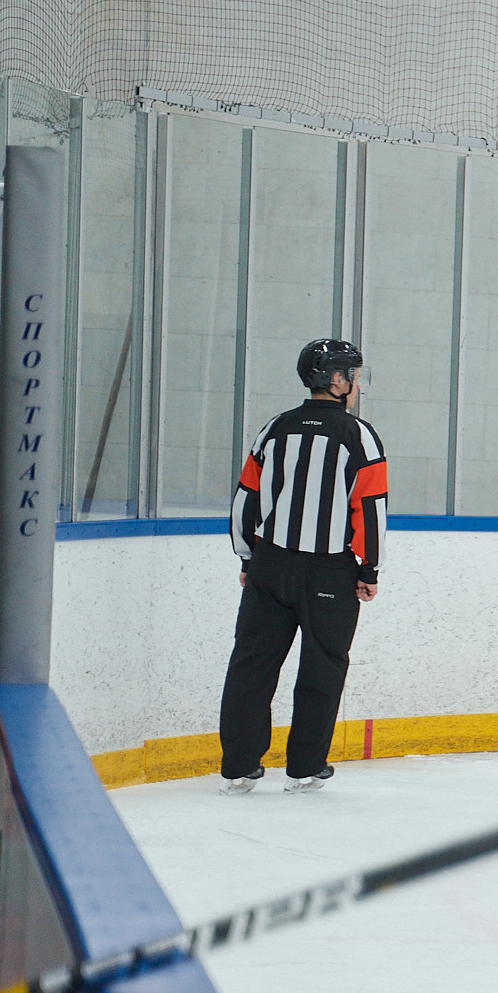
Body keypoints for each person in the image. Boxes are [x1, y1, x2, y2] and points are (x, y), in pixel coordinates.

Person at [217, 340, 389, 794]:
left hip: (269, 565)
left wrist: (248, 557)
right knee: (323, 667)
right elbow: (370, 510)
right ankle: (306, 767)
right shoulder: (360, 435)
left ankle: (238, 767)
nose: (356, 383)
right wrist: (368, 569)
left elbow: (245, 499)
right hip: (329, 571)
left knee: (251, 664)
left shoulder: (275, 429)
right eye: (352, 374)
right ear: (336, 380)